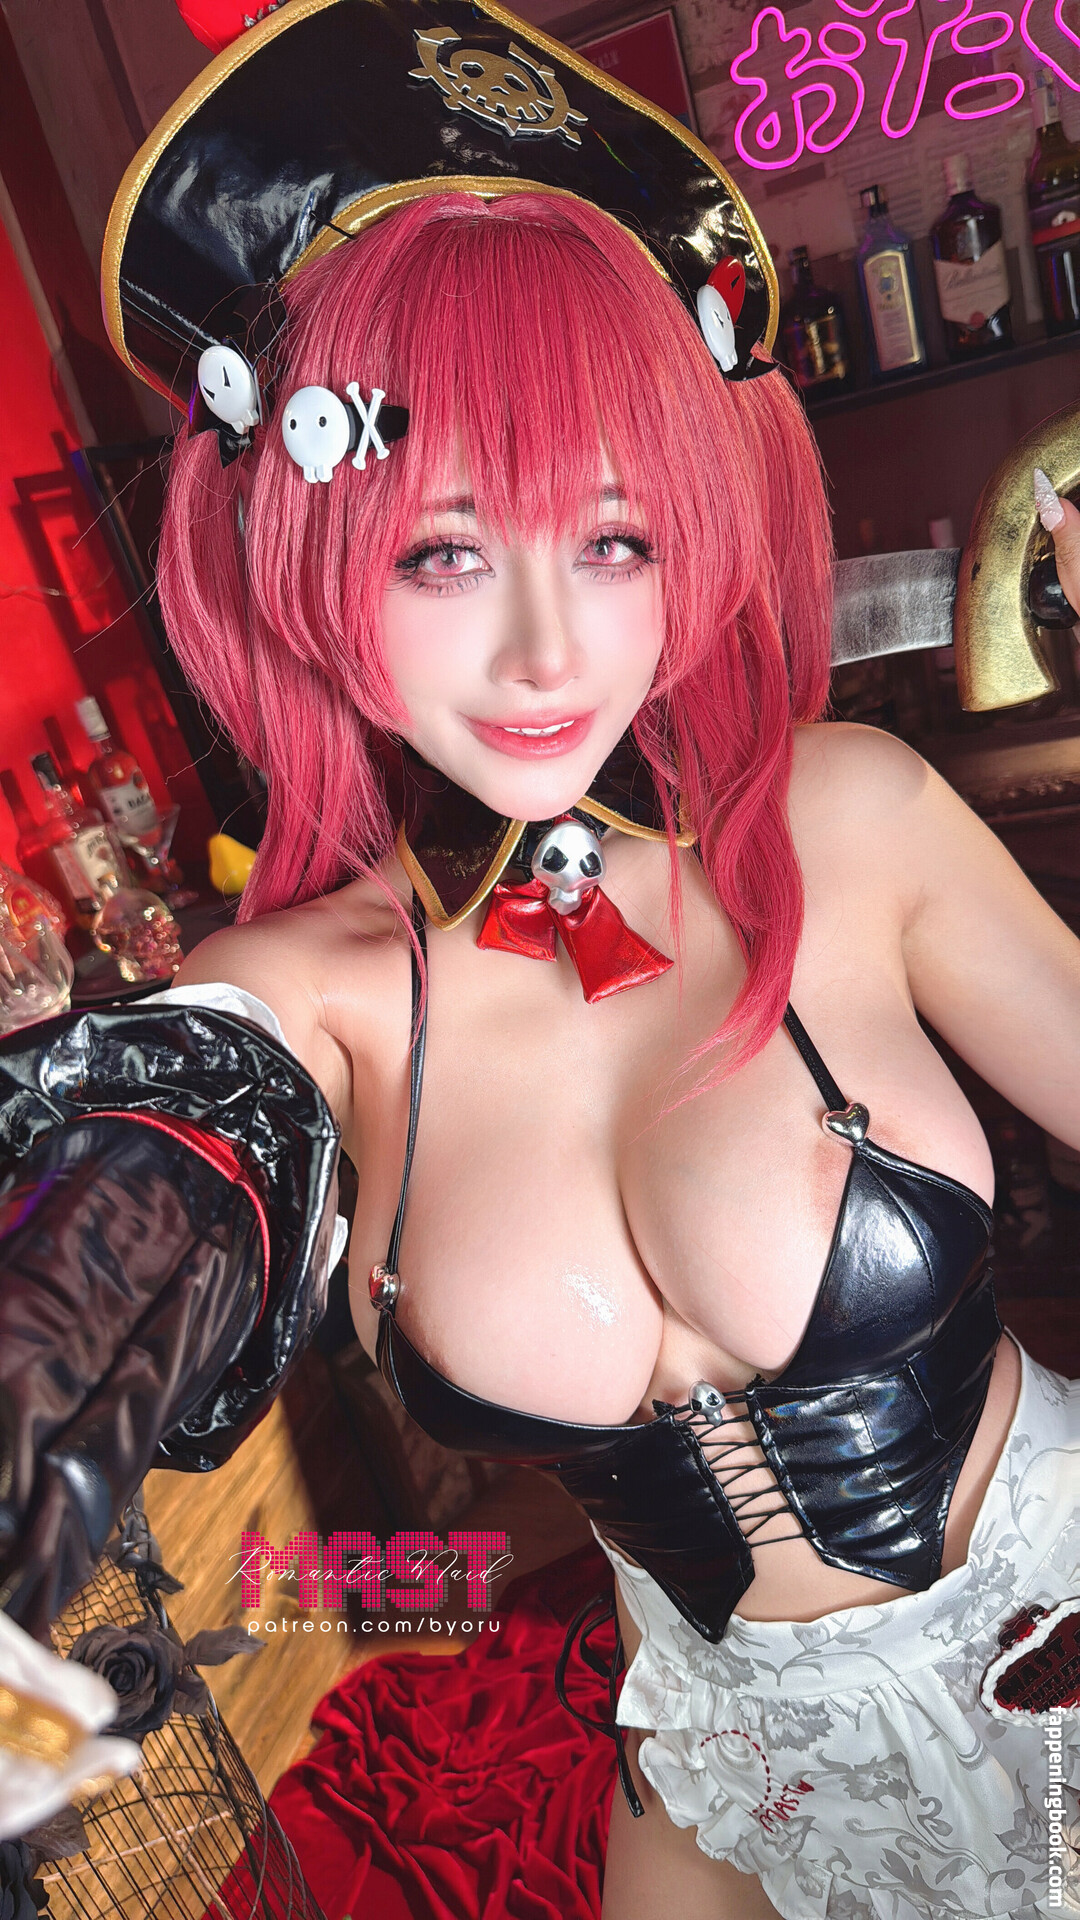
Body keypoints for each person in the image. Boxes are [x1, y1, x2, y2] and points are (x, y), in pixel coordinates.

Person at [0, 0, 1077, 1908]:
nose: (547, 654)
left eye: (612, 540)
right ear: (302, 559)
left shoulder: (848, 820)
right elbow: (116, 1233)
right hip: (727, 1770)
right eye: (441, 553)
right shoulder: (305, 999)